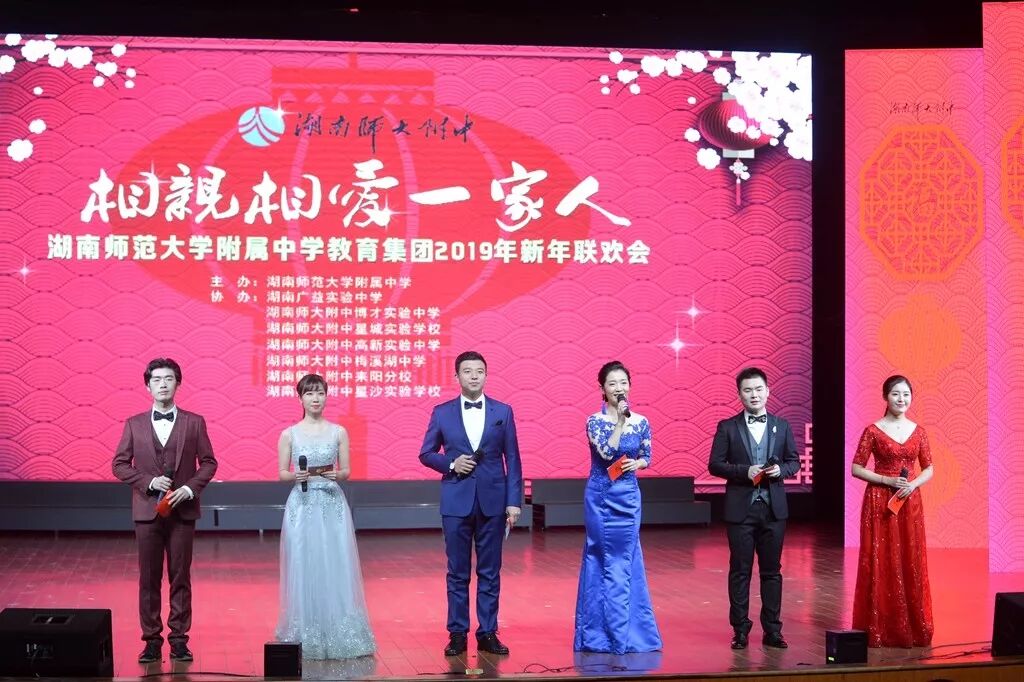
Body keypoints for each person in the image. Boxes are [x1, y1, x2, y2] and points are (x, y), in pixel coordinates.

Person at [112, 358, 218, 664]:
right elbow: (119, 464)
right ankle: (151, 641)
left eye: (168, 379)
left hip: (182, 512)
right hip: (147, 512)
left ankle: (179, 640)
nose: (162, 384)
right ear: (148, 386)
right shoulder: (133, 424)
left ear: (178, 384)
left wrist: (189, 489)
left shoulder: (194, 422)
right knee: (148, 578)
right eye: (156, 379)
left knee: (180, 577)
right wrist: (148, 482)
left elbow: (209, 462)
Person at [419, 350, 523, 657]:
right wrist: (452, 464)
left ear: (486, 375)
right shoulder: (442, 412)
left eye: (479, 371)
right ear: (457, 377)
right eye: (467, 371)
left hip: (493, 502)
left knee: (490, 571)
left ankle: (488, 632)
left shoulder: (503, 411)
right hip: (456, 501)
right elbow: (426, 453)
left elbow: (513, 459)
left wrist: (514, 502)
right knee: (457, 571)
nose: (474, 376)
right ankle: (457, 633)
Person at [275, 373, 376, 659]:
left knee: (335, 562)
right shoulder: (289, 434)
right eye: (309, 393)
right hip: (302, 503)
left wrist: (337, 474)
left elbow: (346, 471)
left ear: (327, 396)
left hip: (332, 503)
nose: (315, 398)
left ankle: (338, 630)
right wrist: (297, 475)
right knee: (304, 564)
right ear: (300, 398)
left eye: (320, 392)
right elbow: (282, 473)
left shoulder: (338, 432)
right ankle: (306, 631)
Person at [708, 366, 800, 650]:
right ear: (739, 395)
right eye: (747, 390)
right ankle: (740, 630)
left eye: (759, 389)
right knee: (740, 571)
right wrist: (743, 471)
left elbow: (794, 461)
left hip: (774, 511)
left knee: (772, 571)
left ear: (768, 391)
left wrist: (781, 471)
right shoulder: (727, 426)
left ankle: (773, 630)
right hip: (741, 510)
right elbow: (715, 465)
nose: (754, 395)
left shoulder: (782, 425)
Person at [573, 360, 662, 654]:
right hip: (601, 498)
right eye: (612, 383)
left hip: (629, 496)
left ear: (630, 386)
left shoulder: (642, 421)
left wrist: (639, 463)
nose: (619, 388)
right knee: (602, 557)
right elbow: (606, 451)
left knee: (627, 558)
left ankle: (630, 633)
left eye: (623, 382)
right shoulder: (594, 421)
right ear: (602, 389)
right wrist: (621, 422)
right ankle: (601, 634)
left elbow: (647, 453)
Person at [850, 374, 934, 648]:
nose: (901, 399)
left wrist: (913, 484)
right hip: (879, 500)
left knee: (910, 558)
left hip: (909, 500)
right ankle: (881, 627)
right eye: (896, 394)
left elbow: (929, 468)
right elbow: (856, 468)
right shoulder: (873, 431)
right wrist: (886, 480)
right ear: (885, 397)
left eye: (906, 394)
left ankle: (912, 626)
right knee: (881, 558)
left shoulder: (919, 431)